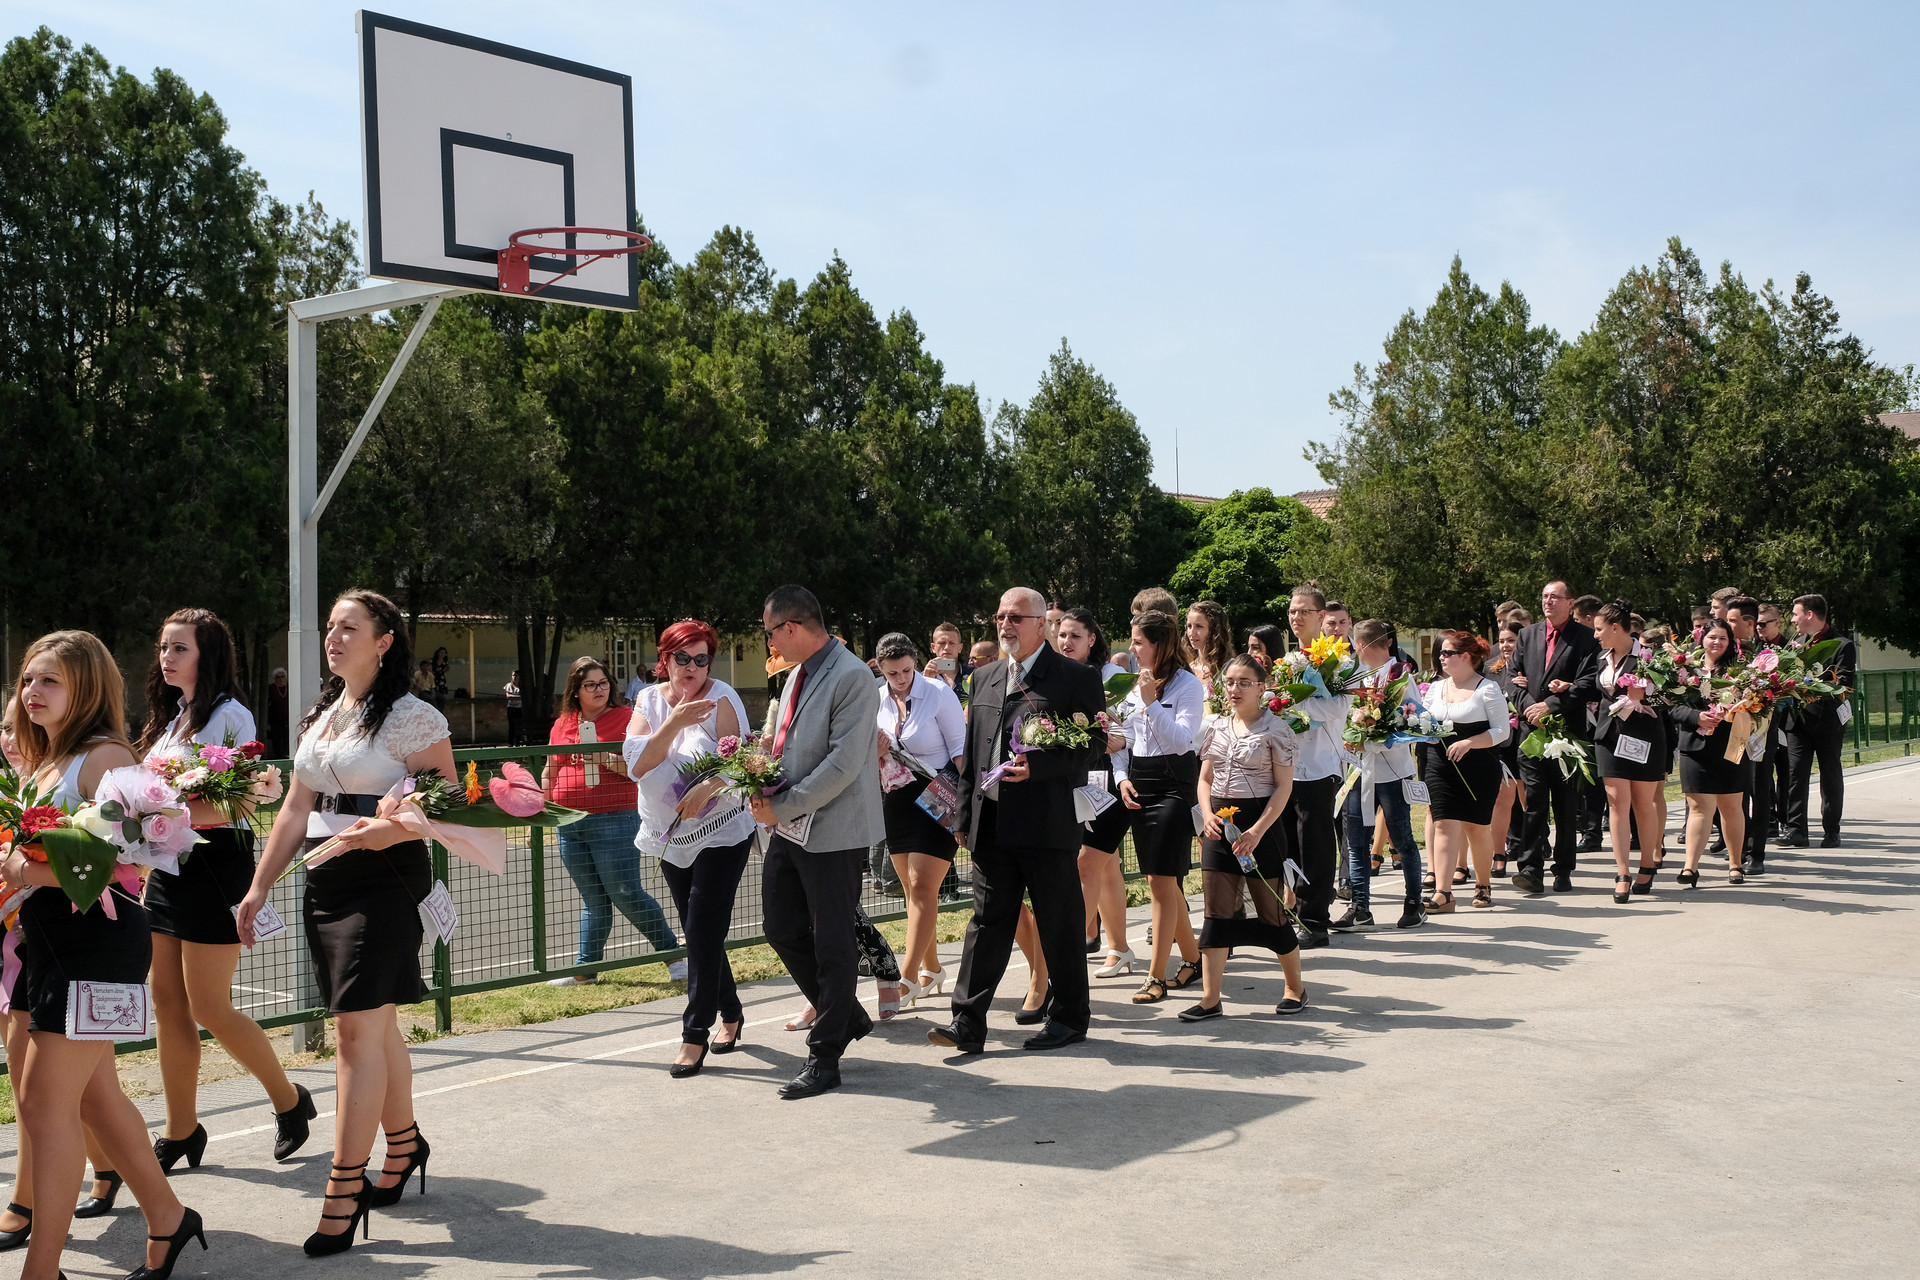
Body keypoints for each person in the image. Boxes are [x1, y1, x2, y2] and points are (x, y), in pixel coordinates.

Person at [238, 590, 448, 1255]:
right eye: (330, 626)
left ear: (383, 641)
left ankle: (344, 1186)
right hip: (324, 882)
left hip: (385, 881)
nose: (333, 636)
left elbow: (444, 802)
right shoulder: (323, 716)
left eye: (348, 627)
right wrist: (258, 886)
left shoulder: (414, 716)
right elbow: (294, 810)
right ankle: (405, 1145)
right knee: (374, 1027)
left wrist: (389, 830)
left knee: (354, 1032)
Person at [3, 631, 203, 1280]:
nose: (32, 692)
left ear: (86, 687)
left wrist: (26, 871)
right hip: (49, 942)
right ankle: (169, 1219)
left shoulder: (105, 756)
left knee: (43, 1105)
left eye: (50, 680)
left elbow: (133, 862)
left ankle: (41, 1270)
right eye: (28, 679)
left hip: (95, 946)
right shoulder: (47, 759)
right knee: (94, 1101)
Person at [136, 609, 314, 1173]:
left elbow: (238, 803)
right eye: (164, 647)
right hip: (168, 867)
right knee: (168, 1004)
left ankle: (290, 1100)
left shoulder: (229, 715)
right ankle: (181, 1129)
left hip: (213, 867)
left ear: (207, 654)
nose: (166, 657)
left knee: (209, 1005)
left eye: (180, 648)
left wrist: (155, 815)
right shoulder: (174, 717)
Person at [928, 587, 1104, 1055]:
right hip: (992, 824)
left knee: (1058, 923)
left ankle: (1069, 1018)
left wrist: (1039, 766)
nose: (1005, 625)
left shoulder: (1074, 677)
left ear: (1041, 624)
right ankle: (967, 1023)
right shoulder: (985, 676)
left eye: (1016, 617)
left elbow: (1093, 745)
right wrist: (964, 814)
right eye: (1001, 616)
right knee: (986, 923)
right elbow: (974, 750)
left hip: (1047, 824)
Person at [748, 585, 886, 1099]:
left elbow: (844, 764)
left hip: (833, 829)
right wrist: (757, 773)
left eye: (770, 633)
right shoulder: (796, 674)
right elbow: (786, 743)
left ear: (791, 627)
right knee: (780, 927)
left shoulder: (852, 675)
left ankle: (825, 1055)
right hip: (791, 825)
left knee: (832, 942)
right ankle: (845, 1016)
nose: (770, 644)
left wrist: (782, 805)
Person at [624, 619, 757, 1077]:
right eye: (683, 658)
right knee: (700, 930)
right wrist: (675, 722)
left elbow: (745, 763)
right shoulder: (648, 700)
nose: (692, 667)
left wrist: (713, 784)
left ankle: (694, 1033)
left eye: (702, 659)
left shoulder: (723, 697)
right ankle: (732, 1011)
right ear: (666, 659)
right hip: (671, 834)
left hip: (722, 831)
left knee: (701, 929)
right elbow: (638, 766)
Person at [544, 656, 683, 986]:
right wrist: (541, 803)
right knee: (593, 900)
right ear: (575, 690)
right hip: (569, 823)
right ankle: (585, 971)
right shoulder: (563, 723)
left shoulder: (627, 719)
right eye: (590, 685)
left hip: (614, 819)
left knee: (625, 892)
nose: (599, 690)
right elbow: (551, 768)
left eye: (603, 683)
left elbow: (644, 766)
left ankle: (675, 957)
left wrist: (604, 758)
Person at [1187, 653, 1307, 1020]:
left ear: (1261, 687)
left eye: (1243, 683)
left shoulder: (1277, 729)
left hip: (1261, 827)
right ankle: (1210, 998)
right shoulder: (1216, 727)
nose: (1234, 689)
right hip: (1219, 826)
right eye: (1229, 682)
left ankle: (1295, 988)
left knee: (1271, 913)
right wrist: (1207, 815)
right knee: (1216, 913)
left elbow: (1284, 788)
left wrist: (1257, 831)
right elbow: (1204, 780)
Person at [1113, 609, 1205, 1003]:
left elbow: (1183, 739)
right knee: (1158, 880)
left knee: (1162, 881)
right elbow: (1124, 740)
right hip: (1140, 782)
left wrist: (1151, 703)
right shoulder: (1134, 686)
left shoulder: (1188, 685)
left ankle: (1156, 976)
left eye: (1139, 642)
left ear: (1160, 644)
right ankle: (1193, 959)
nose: (1133, 649)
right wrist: (1122, 777)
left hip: (1175, 786)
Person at [873, 632, 967, 1010]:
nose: (901, 679)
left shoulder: (938, 693)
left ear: (915, 661)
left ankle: (907, 978)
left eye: (906, 671)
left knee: (922, 885)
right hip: (897, 795)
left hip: (939, 789)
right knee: (912, 891)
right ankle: (933, 968)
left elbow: (960, 748)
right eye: (892, 673)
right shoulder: (875, 698)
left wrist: (967, 801)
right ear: (881, 669)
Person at [1055, 608, 1134, 973]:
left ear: (1092, 638)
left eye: (1075, 635)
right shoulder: (1058, 675)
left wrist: (1111, 739)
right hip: (1076, 777)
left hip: (1113, 778)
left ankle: (1063, 958)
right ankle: (1119, 948)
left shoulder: (1113, 677)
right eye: (1062, 635)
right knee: (1107, 866)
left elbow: (1131, 730)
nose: (1066, 641)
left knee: (1086, 863)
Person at [1510, 580, 1600, 895]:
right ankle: (1530, 868)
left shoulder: (1585, 637)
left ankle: (1563, 868)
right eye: (1545, 596)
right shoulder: (1527, 634)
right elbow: (1511, 678)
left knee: (1565, 804)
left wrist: (1550, 705)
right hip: (1531, 733)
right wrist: (1530, 709)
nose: (1548, 601)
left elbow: (1589, 682)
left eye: (1555, 597)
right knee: (1534, 800)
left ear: (1570, 602)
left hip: (1566, 733)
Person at [1335, 620, 1424, 930]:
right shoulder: (1353, 676)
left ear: (1360, 645)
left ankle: (1414, 902)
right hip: (1358, 770)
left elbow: (1412, 723)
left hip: (1392, 771)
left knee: (1402, 839)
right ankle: (1360, 906)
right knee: (1356, 841)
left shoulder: (1399, 676)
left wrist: (1372, 740)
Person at [1418, 632, 1510, 911]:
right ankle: (1443, 892)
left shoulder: (1487, 688)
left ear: (1466, 657)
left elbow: (1502, 731)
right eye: (1441, 653)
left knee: (1476, 827)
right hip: (1439, 764)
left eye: (1448, 653)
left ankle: (1483, 884)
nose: (1441, 657)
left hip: (1478, 767)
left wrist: (1470, 742)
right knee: (1443, 824)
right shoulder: (1435, 688)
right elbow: (1422, 721)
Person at [1280, 584, 1349, 945]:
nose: (1296, 617)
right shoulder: (1289, 660)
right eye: (1292, 611)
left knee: (1315, 845)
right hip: (1285, 764)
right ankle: (1294, 908)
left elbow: (1339, 708)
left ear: (1321, 616)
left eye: (1303, 611)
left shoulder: (1340, 659)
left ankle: (1314, 920)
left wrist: (1296, 702)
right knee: (1288, 843)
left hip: (1320, 764)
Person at [1590, 600, 1665, 902]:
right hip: (1609, 737)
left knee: (1643, 803)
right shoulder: (1600, 658)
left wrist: (1645, 693)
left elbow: (1667, 695)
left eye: (1599, 629)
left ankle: (1647, 863)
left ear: (1615, 628)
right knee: (1617, 802)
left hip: (1643, 737)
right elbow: (1595, 690)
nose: (1595, 635)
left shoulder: (1648, 656)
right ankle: (1622, 872)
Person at [1669, 619, 1751, 886]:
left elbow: (1754, 705)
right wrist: (1697, 716)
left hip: (1730, 744)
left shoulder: (1740, 672)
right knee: (1698, 807)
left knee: (1731, 807)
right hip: (1694, 746)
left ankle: (1736, 864)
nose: (1717, 642)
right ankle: (1690, 867)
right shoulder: (1685, 669)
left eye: (1723, 638)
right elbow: (1671, 707)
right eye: (1712, 637)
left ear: (1730, 643)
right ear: (1701, 639)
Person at [1780, 593, 1856, 850]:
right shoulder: (1795, 645)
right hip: (1797, 722)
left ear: (1809, 614)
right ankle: (1796, 830)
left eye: (1795, 614)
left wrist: (1808, 688)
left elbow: (1843, 684)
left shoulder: (1841, 645)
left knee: (1830, 775)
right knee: (1794, 775)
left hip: (1827, 722)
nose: (1793, 620)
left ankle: (1832, 830)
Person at [1725, 597, 1774, 873]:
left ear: (1749, 623)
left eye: (1732, 621)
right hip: (1732, 730)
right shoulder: (1727, 652)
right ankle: (1738, 848)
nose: (1727, 625)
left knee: (1759, 788)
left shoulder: (1768, 654)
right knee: (1735, 791)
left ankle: (1757, 852)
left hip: (1760, 730)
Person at [1487, 620, 1528, 876]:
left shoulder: (1531, 669)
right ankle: (1499, 854)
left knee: (1528, 799)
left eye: (1511, 640)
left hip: (1527, 740)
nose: (1505, 645)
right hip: (1502, 744)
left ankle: (1533, 848)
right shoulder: (1490, 671)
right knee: (1502, 800)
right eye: (1502, 641)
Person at [1184, 600, 1234, 687]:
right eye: (1189, 626)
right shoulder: (1187, 669)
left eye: (1199, 626)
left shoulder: (1230, 668)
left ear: (1215, 630)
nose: (1191, 633)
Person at [922, 622, 967, 692]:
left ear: (960, 648)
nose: (947, 647)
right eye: (942, 643)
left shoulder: (974, 674)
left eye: (952, 643)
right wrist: (926, 682)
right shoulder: (920, 678)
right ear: (933, 647)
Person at [268, 666, 291, 759]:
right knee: (276, 738)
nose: (280, 679)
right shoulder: (271, 688)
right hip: (275, 718)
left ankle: (286, 754)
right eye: (278, 677)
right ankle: (277, 756)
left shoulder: (290, 687)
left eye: (282, 676)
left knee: (287, 736)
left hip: (288, 717)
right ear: (275, 678)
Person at [504, 670, 525, 746]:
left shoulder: (522, 686)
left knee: (519, 725)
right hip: (511, 708)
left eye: (516, 675)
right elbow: (508, 696)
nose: (515, 677)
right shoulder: (509, 685)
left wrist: (515, 697)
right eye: (513, 675)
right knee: (511, 725)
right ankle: (510, 742)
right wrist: (519, 697)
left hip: (519, 708)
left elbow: (524, 697)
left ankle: (518, 742)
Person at [430, 646, 451, 710]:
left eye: (444, 653)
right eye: (441, 653)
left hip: (441, 679)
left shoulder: (445, 662)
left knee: (441, 694)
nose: (442, 654)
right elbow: (430, 669)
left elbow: (447, 669)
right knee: (434, 692)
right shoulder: (433, 661)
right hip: (434, 677)